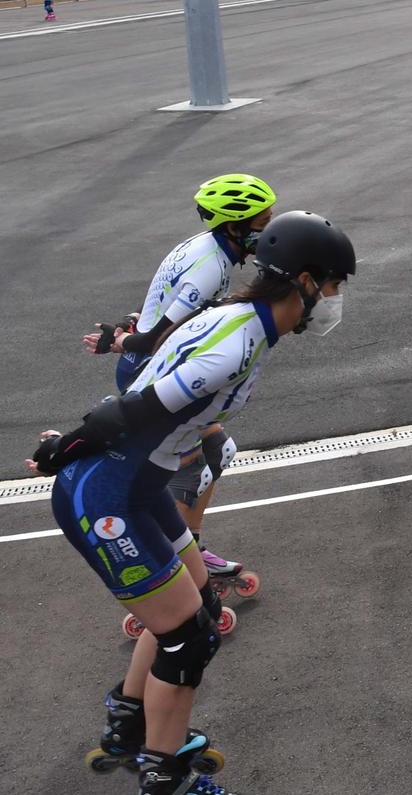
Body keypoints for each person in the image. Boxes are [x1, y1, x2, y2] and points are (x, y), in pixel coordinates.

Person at [36, 210, 356, 795]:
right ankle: (165, 787)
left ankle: (130, 724)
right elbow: (137, 408)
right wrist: (63, 445)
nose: (338, 299)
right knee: (188, 634)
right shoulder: (237, 340)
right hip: (107, 494)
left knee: (201, 604)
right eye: (336, 284)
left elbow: (160, 383)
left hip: (137, 486)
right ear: (304, 282)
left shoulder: (249, 328)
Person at [81, 173, 279, 611]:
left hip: (157, 363)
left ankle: (187, 549)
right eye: (261, 221)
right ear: (234, 226)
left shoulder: (205, 248)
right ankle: (181, 567)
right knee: (194, 474)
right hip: (158, 372)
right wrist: (122, 341)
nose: (269, 229)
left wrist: (125, 330)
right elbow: (155, 336)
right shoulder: (211, 267)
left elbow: (158, 309)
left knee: (218, 455)